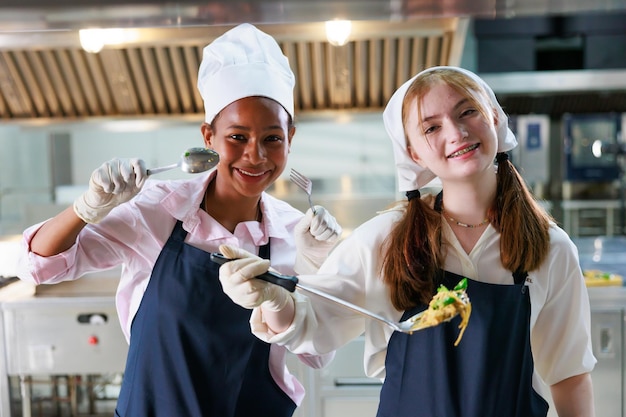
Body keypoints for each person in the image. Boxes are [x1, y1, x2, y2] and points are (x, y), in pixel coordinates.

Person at [217, 66, 597, 417]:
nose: (456, 132)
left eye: (467, 112)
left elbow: (569, 375)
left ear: (494, 117)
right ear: (413, 153)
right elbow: (312, 320)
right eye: (431, 127)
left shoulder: (549, 247)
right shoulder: (386, 239)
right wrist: (274, 298)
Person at [16, 23, 342, 417]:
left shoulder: (295, 232)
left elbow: (319, 357)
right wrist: (86, 209)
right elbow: (38, 267)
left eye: (272, 138)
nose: (255, 156)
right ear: (208, 136)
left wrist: (316, 267)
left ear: (291, 138)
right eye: (237, 137)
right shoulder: (155, 210)